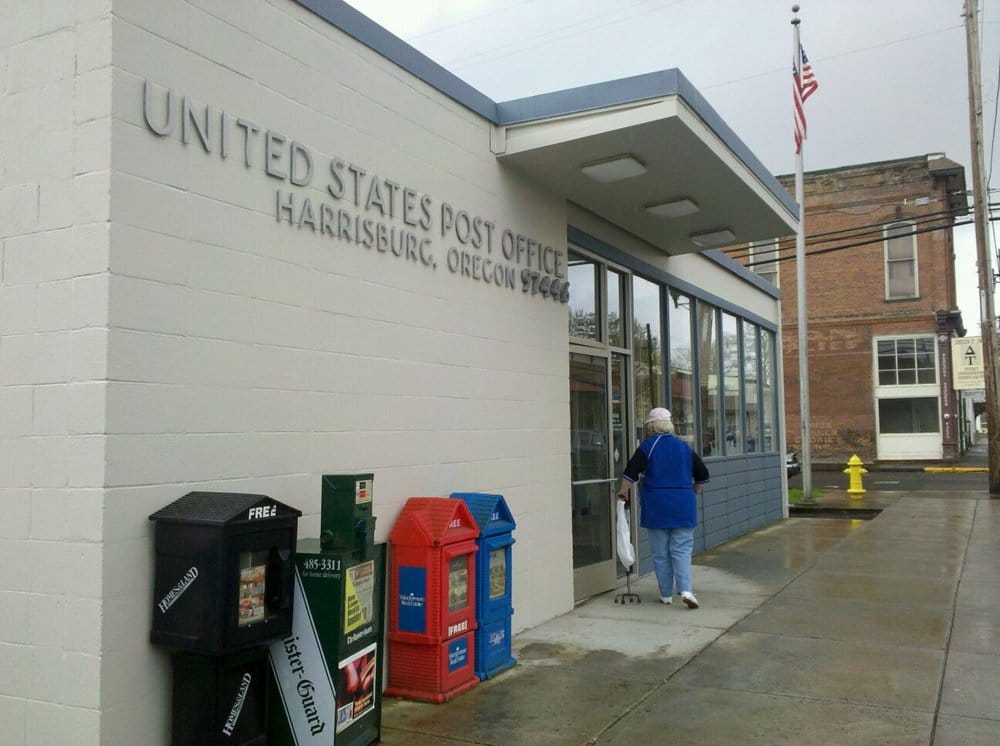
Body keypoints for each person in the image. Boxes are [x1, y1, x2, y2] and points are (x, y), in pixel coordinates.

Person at [617, 407, 709, 608]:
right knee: (682, 550)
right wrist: (693, 493)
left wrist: (623, 492)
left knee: (660, 552)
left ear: (651, 426)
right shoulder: (685, 448)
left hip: (657, 505)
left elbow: (630, 473)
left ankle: (666, 594)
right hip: (684, 505)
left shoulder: (648, 447)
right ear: (670, 425)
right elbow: (703, 475)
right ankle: (686, 590)